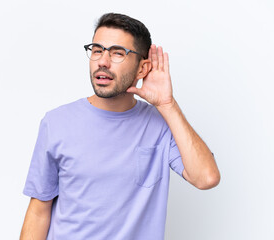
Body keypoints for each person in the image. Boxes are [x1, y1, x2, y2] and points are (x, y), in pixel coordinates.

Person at [19, 13, 220, 240]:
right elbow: (38, 211)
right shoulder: (55, 123)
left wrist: (167, 104)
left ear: (142, 69)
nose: (103, 61)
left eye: (117, 53)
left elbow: (206, 178)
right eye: (97, 50)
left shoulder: (161, 124)